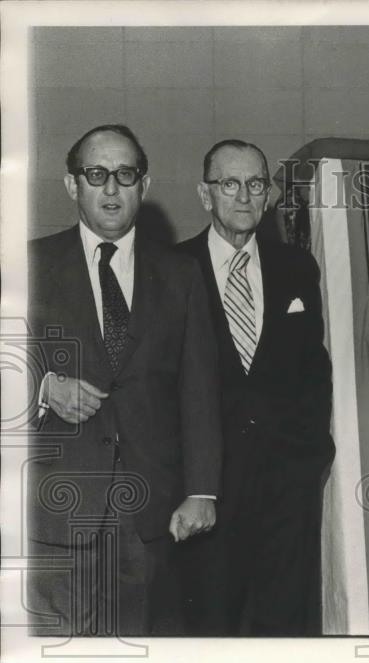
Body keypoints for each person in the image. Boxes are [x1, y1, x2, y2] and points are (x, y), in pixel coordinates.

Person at [27, 123, 221, 636]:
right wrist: (44, 388)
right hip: (56, 508)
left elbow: (198, 390)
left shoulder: (180, 275)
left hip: (151, 516)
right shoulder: (28, 265)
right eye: (97, 174)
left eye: (125, 174)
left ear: (144, 185)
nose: (111, 188)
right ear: (73, 185)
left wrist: (202, 489)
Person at [175, 139, 334, 636]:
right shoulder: (170, 269)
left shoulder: (296, 268)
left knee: (286, 633)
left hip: (287, 492)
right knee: (210, 630)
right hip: (208, 493)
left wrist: (310, 461)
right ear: (206, 195)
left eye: (256, 184)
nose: (244, 196)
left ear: (268, 196)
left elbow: (315, 370)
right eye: (229, 184)